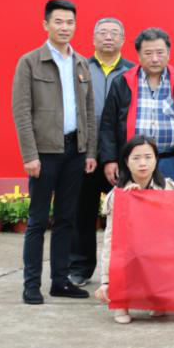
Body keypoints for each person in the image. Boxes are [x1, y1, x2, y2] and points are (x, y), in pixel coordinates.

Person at [12, 0, 98, 304]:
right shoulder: (30, 62)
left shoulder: (81, 63)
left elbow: (89, 111)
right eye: (58, 22)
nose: (65, 27)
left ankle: (60, 281)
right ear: (45, 24)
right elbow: (22, 112)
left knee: (66, 219)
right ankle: (31, 284)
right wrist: (29, 155)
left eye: (70, 22)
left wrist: (90, 151)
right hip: (45, 153)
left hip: (76, 150)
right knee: (38, 220)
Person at [69, 17, 133, 287]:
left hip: (121, 156)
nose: (108, 37)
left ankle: (123, 269)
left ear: (123, 40)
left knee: (126, 216)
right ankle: (79, 267)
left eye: (114, 33)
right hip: (85, 153)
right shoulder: (79, 68)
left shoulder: (132, 72)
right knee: (82, 212)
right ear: (93, 38)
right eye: (103, 33)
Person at [99, 28, 174, 188]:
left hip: (171, 160)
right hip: (133, 162)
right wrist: (109, 159)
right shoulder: (122, 82)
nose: (154, 59)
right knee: (133, 201)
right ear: (139, 55)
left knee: (170, 201)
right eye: (148, 53)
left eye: (160, 53)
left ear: (168, 53)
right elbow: (108, 124)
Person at [94, 136, 174, 323]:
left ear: (156, 159)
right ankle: (121, 303)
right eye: (136, 158)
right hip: (129, 252)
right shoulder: (118, 195)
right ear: (126, 161)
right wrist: (106, 281)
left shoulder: (168, 188)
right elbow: (110, 240)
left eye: (148, 157)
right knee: (125, 257)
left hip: (157, 251)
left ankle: (158, 300)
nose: (143, 163)